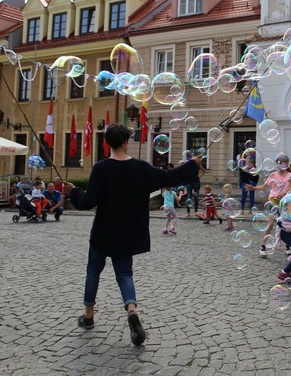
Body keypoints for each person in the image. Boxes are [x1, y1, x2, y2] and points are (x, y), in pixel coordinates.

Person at [66, 123, 200, 345]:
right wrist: (192, 166)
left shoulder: (101, 168)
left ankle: (88, 317)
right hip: (128, 233)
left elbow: (88, 202)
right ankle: (131, 310)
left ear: (106, 143)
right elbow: (170, 177)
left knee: (93, 272)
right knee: (124, 275)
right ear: (126, 142)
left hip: (102, 233)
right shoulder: (141, 167)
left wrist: (74, 191)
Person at [245, 153, 291, 257]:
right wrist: (253, 188)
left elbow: (290, 188)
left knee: (286, 225)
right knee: (270, 224)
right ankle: (263, 247)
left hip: (285, 203)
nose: (281, 165)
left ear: (287, 164)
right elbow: (264, 186)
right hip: (273, 202)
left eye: (283, 163)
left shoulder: (290, 176)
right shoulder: (273, 175)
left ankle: (288, 246)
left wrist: (283, 194)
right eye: (279, 163)